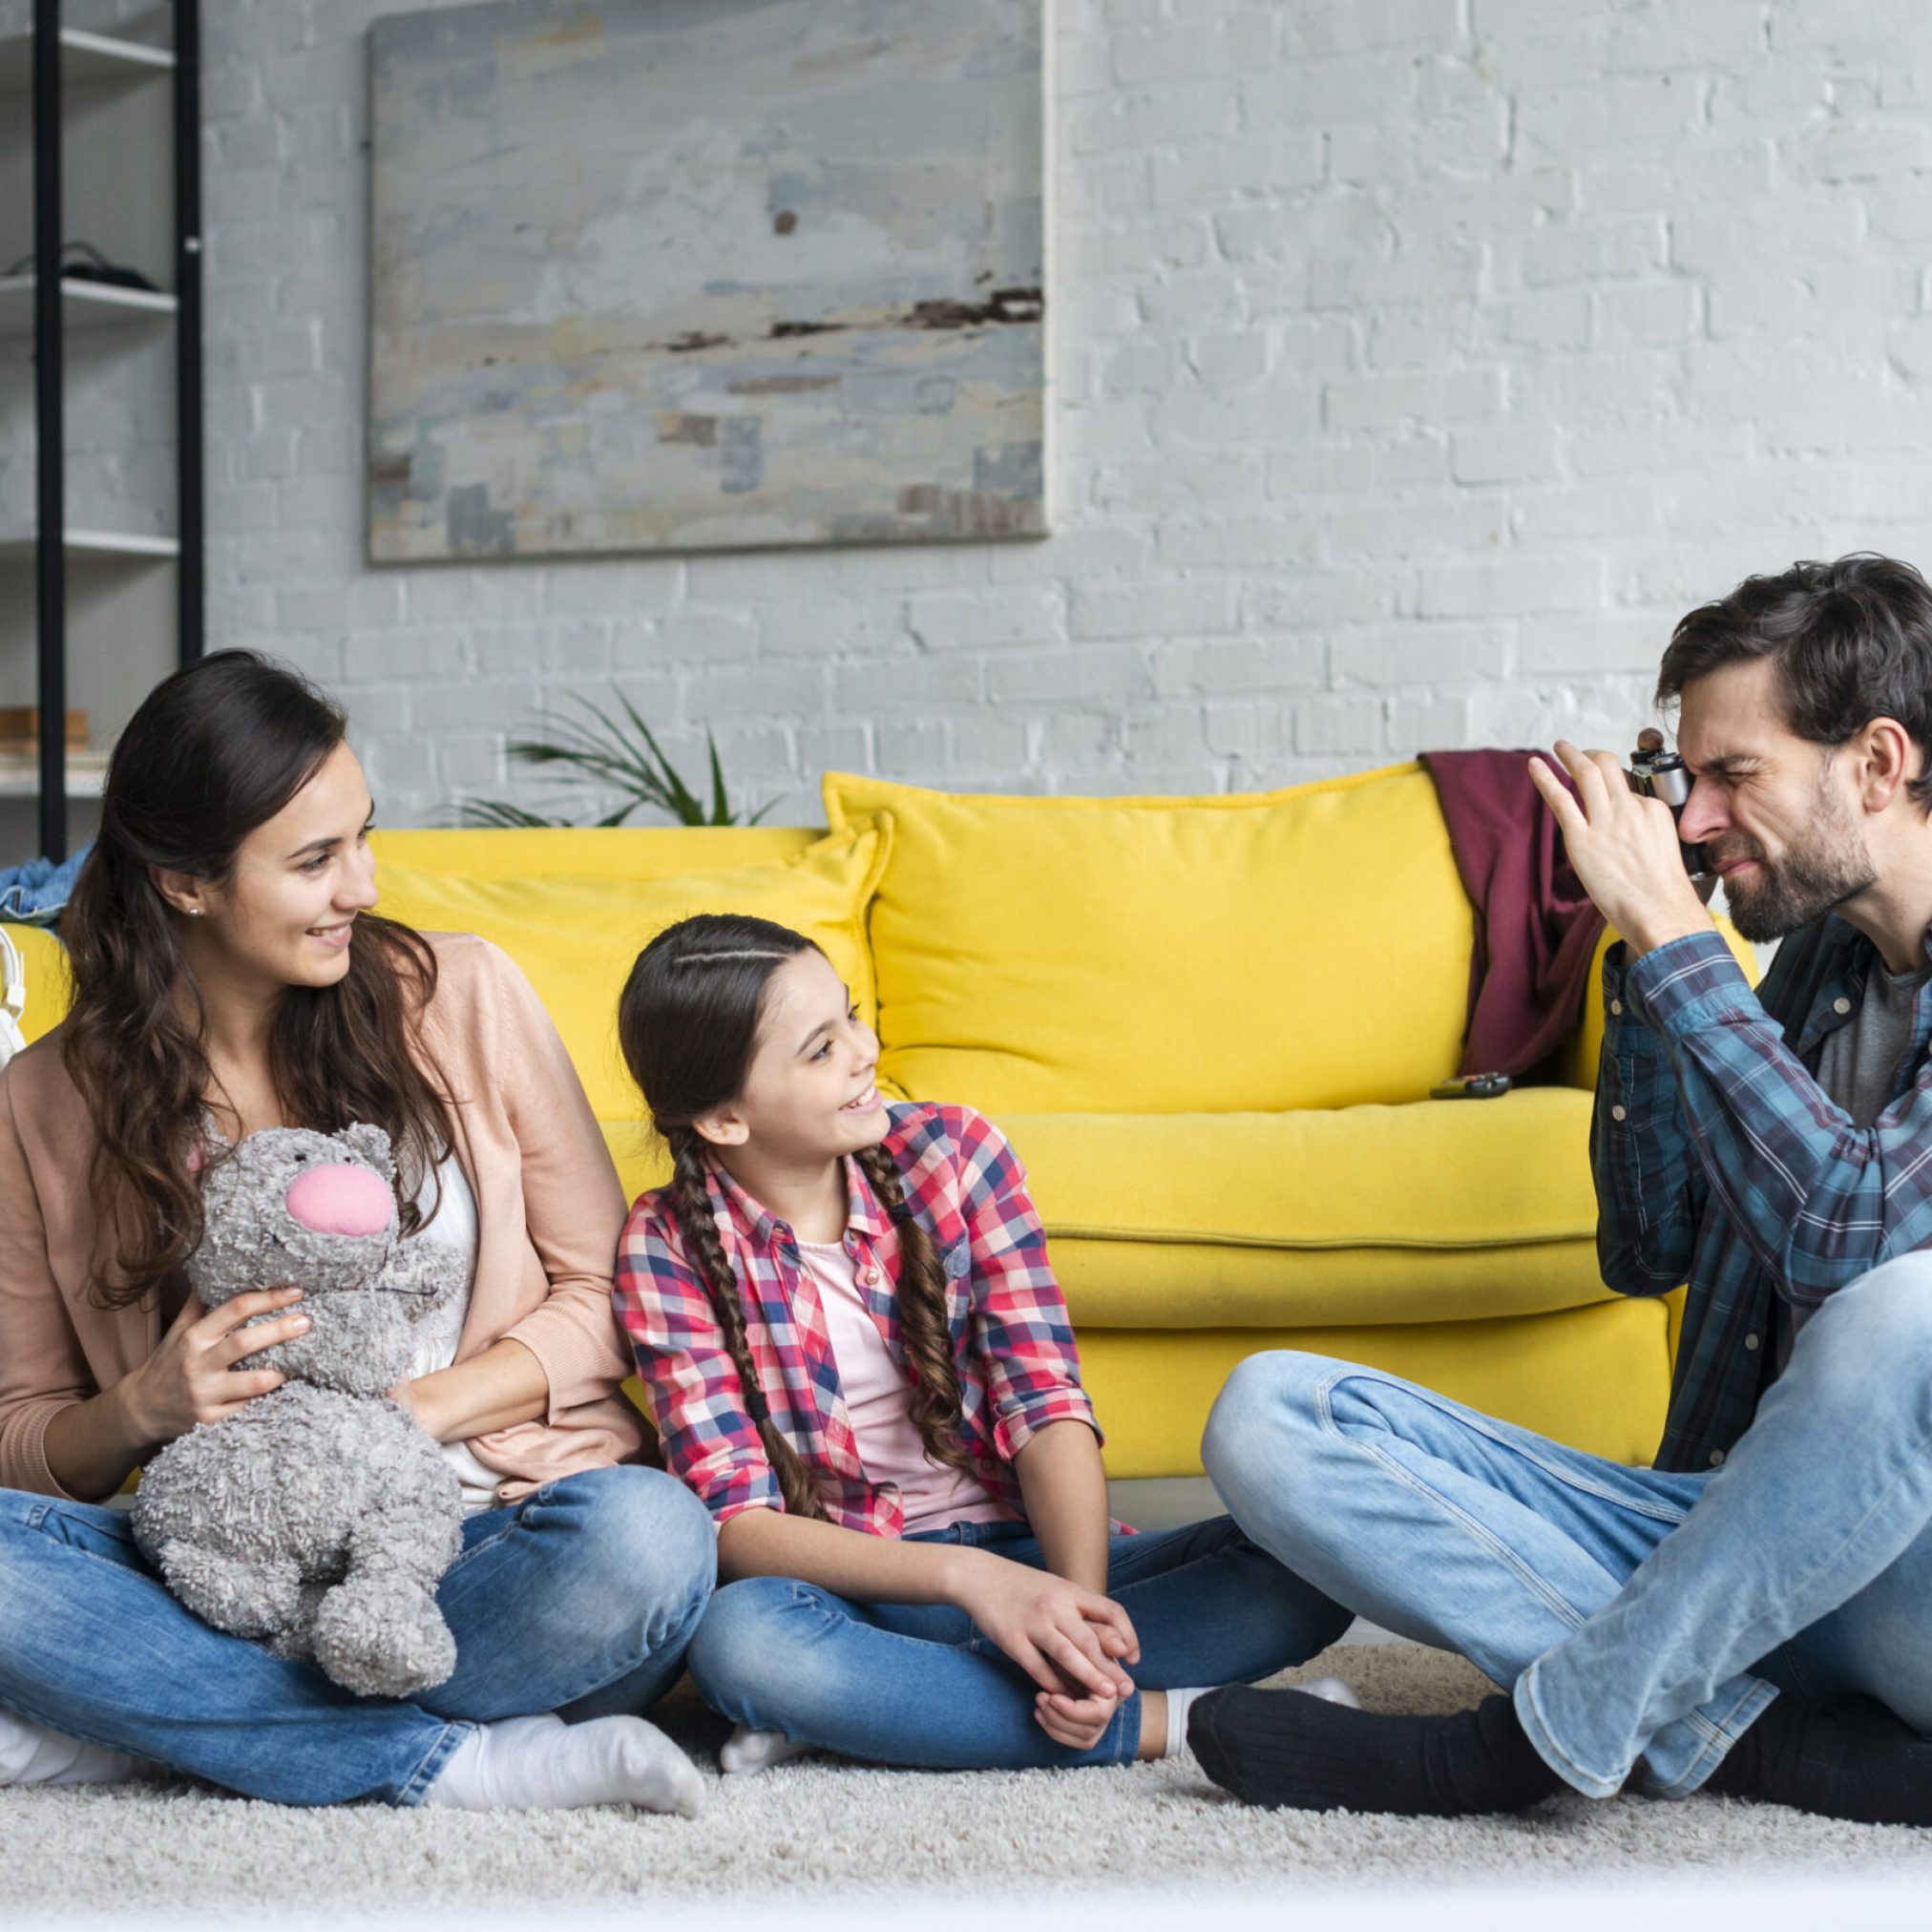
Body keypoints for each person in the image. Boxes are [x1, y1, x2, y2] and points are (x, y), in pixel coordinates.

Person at [1188, 553, 1932, 1825]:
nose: (1692, 820)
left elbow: (1846, 1246)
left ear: (1875, 763)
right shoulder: (1820, 967)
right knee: (1272, 1418)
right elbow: (1651, 1253)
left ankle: (1521, 1747)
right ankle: (1757, 1741)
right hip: (1747, 1548)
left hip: (1911, 1579)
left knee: (1907, 1314)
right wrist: (1647, 965)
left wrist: (1685, 949)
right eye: (1683, 783)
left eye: (1733, 777)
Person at [0, 651, 713, 1813]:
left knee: (650, 1541)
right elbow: (20, 1432)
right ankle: (439, 1760)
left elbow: (610, 1294)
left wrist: (409, 1415)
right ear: (186, 881)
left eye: (363, 837)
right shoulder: (46, 1099)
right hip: (228, 1566)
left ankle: (163, 1721)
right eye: (316, 859)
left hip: (485, 1536)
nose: (365, 886)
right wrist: (140, 1407)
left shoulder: (466, 997)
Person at [613, 914, 1354, 1774]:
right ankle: (1168, 1723)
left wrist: (1071, 1617)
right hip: (864, 1590)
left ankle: (894, 1708)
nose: (865, 1047)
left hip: (1033, 1552)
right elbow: (736, 1525)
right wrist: (971, 1584)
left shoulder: (954, 1152)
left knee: (1315, 1563)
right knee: (745, 1646)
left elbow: (1046, 1402)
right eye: (821, 1049)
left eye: (851, 1014)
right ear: (726, 1118)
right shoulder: (663, 1246)